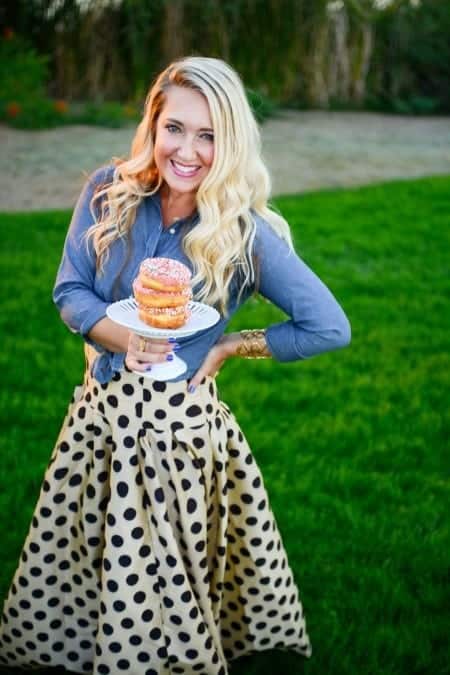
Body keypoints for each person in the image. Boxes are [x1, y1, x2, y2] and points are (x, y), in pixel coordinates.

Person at [0, 56, 350, 674]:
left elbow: (329, 326)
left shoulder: (243, 234)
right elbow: (70, 292)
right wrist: (117, 337)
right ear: (153, 126)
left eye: (209, 134)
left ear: (232, 142)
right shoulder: (110, 191)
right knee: (86, 550)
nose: (187, 150)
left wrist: (226, 345)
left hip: (177, 437)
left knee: (162, 577)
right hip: (99, 418)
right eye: (175, 128)